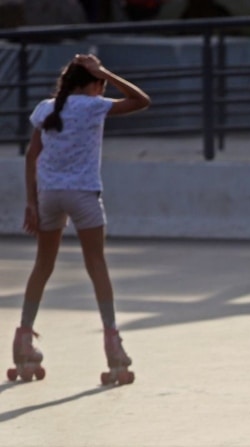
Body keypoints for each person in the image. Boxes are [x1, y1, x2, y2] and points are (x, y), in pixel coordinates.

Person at [10, 53, 150, 385]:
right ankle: (112, 344)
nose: (102, 90)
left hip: (49, 195)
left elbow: (32, 155)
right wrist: (106, 71)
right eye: (99, 85)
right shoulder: (93, 106)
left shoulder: (46, 108)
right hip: (83, 194)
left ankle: (23, 338)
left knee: (42, 265)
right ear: (92, 84)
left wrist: (31, 201)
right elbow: (141, 100)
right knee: (96, 265)